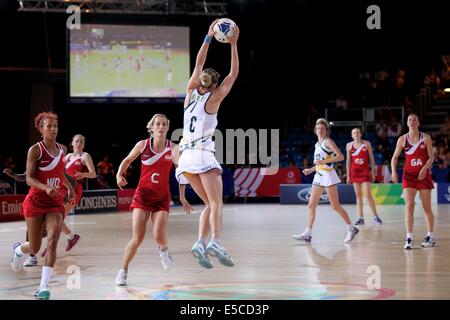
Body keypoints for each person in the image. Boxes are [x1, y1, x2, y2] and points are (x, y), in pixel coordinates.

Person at [175, 19, 239, 268]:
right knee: (216, 203)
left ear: (200, 80)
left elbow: (199, 62)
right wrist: (233, 44)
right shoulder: (214, 98)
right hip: (202, 153)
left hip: (186, 158)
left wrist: (208, 36)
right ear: (214, 84)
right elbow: (234, 74)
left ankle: (199, 243)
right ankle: (216, 240)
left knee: (207, 205)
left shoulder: (190, 91)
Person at [10, 112, 76, 300]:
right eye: (49, 126)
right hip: (35, 202)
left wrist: (69, 188)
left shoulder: (62, 149)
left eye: (55, 126)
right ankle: (18, 250)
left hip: (54, 203)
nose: (53, 129)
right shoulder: (35, 150)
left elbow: (60, 172)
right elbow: (29, 178)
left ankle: (43, 287)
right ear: (41, 129)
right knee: (35, 247)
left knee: (54, 238)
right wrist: (45, 187)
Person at [115, 114, 182, 286]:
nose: (160, 127)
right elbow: (128, 160)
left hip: (161, 198)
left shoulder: (173, 148)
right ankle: (123, 271)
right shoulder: (143, 145)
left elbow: (180, 168)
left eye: (164, 124)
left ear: (167, 128)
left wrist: (183, 192)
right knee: (137, 238)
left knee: (159, 237)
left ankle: (163, 250)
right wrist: (118, 174)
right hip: (143, 196)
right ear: (151, 128)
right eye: (157, 124)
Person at [293, 118, 359, 243]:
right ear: (315, 130)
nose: (320, 130)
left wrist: (323, 161)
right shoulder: (317, 144)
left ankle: (351, 228)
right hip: (318, 175)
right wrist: (311, 170)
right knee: (311, 205)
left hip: (328, 176)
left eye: (322, 128)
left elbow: (341, 156)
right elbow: (319, 163)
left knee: (335, 206)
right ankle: (308, 233)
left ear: (326, 130)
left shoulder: (328, 142)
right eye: (318, 128)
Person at [391, 114, 436, 249]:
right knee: (409, 205)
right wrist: (393, 171)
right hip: (409, 175)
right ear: (407, 123)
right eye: (409, 120)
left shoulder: (425, 138)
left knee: (426, 208)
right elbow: (394, 158)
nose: (412, 122)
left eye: (414, 120)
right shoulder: (402, 139)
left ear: (419, 123)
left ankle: (430, 236)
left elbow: (431, 158)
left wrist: (424, 169)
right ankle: (409, 238)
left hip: (423, 175)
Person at [346, 128, 382, 225]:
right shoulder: (349, 145)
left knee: (368, 195)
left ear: (361, 134)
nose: (356, 134)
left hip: (365, 172)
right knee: (358, 196)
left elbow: (372, 159)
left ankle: (376, 217)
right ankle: (360, 218)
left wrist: (373, 172)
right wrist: (348, 175)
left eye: (358, 132)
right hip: (354, 172)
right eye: (354, 133)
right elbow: (348, 161)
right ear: (352, 135)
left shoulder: (366, 144)